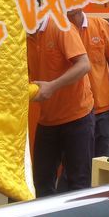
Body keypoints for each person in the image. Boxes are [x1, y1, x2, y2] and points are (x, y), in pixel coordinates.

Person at [27, 19, 94, 196]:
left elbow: (84, 64)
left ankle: (78, 215)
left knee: (78, 184)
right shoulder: (24, 37)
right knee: (41, 182)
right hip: (48, 120)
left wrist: (52, 86)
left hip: (77, 117)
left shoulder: (60, 27)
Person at [68, 9, 109, 159]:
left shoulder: (101, 25)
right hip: (74, 111)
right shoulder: (60, 30)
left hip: (102, 108)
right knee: (77, 159)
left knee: (104, 158)